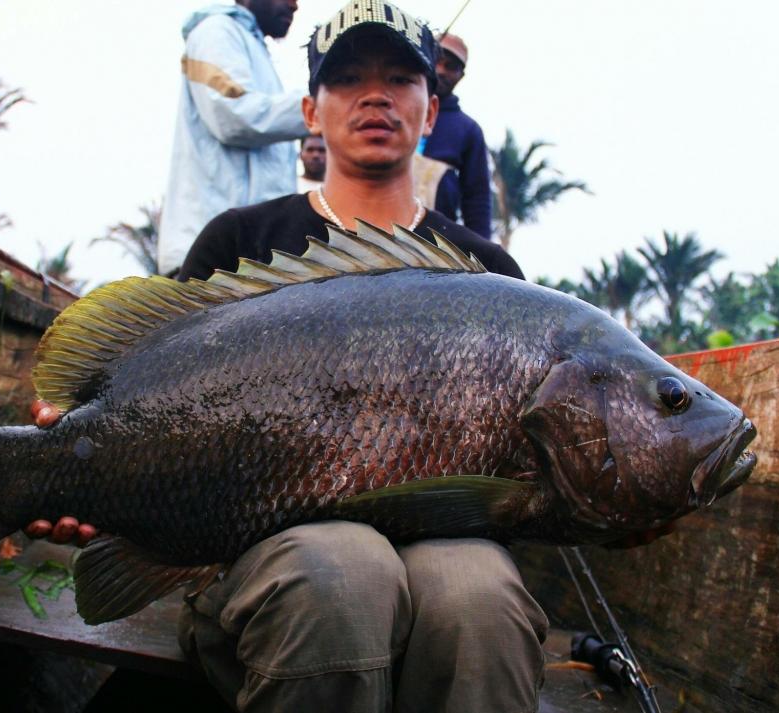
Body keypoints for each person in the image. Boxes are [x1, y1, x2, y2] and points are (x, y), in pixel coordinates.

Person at [172, 5, 547, 713]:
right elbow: (152, 377)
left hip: (446, 539)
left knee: (480, 596)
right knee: (344, 572)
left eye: (400, 78)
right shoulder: (241, 242)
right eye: (347, 79)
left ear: (431, 109)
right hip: (255, 554)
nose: (375, 96)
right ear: (312, 111)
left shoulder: (489, 271)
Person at [157, 0, 308, 276]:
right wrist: (321, 108)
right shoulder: (216, 32)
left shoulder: (252, 48)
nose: (294, 5)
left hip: (249, 262)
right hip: (214, 256)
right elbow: (234, 116)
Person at [421, 32, 493, 240]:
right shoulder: (393, 108)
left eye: (451, 66)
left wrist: (482, 255)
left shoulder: (468, 129)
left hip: (436, 244)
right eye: (438, 60)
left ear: (461, 75)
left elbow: (477, 200)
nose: (441, 70)